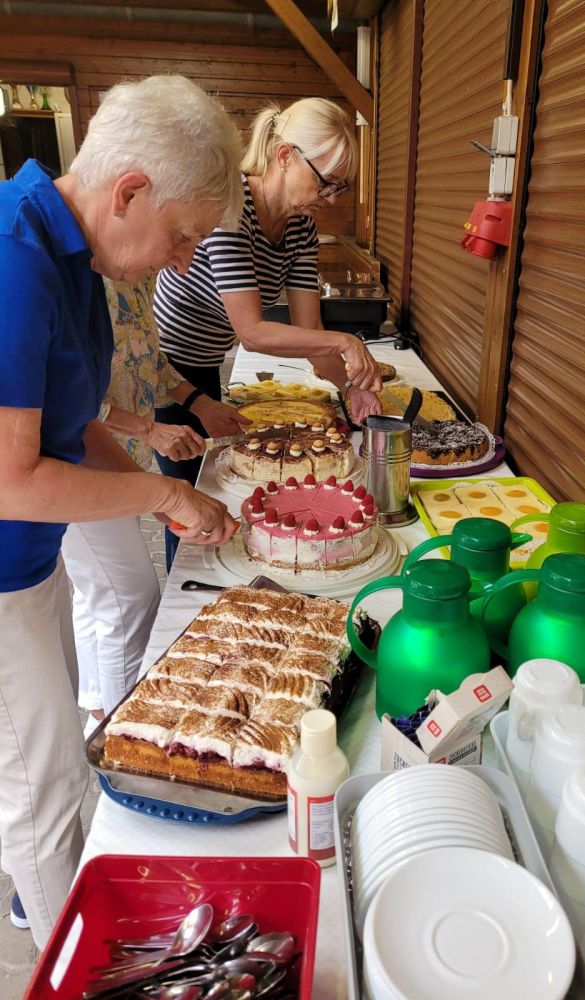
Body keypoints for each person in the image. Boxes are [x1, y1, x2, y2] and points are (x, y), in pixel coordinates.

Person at [0, 74, 243, 947]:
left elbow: (75, 427)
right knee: (44, 790)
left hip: (30, 562)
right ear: (129, 191)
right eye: (181, 237)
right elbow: (11, 479)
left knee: (50, 748)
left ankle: (47, 900)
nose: (181, 262)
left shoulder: (73, 257)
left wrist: (173, 496)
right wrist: (160, 490)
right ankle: (74, 959)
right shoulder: (15, 257)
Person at [153, 97, 383, 568]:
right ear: (284, 156)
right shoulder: (230, 208)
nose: (332, 198)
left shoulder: (300, 227)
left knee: (210, 489)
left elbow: (309, 330)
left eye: (340, 188)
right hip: (164, 366)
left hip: (206, 361)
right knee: (188, 497)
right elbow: (253, 332)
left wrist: (350, 389)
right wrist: (346, 342)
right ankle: (185, 586)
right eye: (326, 182)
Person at [61, 275, 247, 734]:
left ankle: (98, 708)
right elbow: (72, 401)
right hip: (81, 465)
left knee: (98, 589)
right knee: (131, 599)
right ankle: (126, 732)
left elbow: (151, 362)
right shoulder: (82, 280)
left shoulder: (139, 278)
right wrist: (148, 430)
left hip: (120, 461)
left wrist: (200, 403)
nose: (185, 260)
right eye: (183, 241)